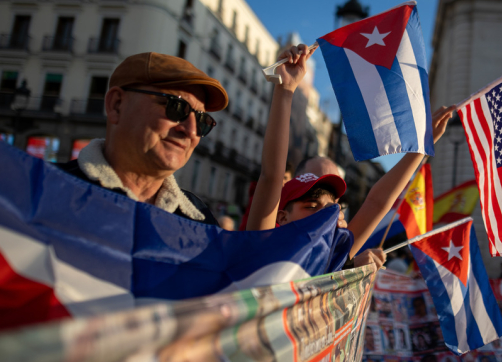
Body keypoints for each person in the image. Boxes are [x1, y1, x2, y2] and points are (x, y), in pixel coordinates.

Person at [246, 44, 457, 273]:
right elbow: (271, 176)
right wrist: (285, 89)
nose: (326, 214)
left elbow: (377, 202)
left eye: (333, 208)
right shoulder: (264, 247)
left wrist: (421, 149)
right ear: (282, 217)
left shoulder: (334, 257)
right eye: (311, 206)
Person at [57, 52, 223, 225]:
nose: (191, 131)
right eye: (176, 107)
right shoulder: (41, 189)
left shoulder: (203, 225)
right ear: (117, 105)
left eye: (202, 120)